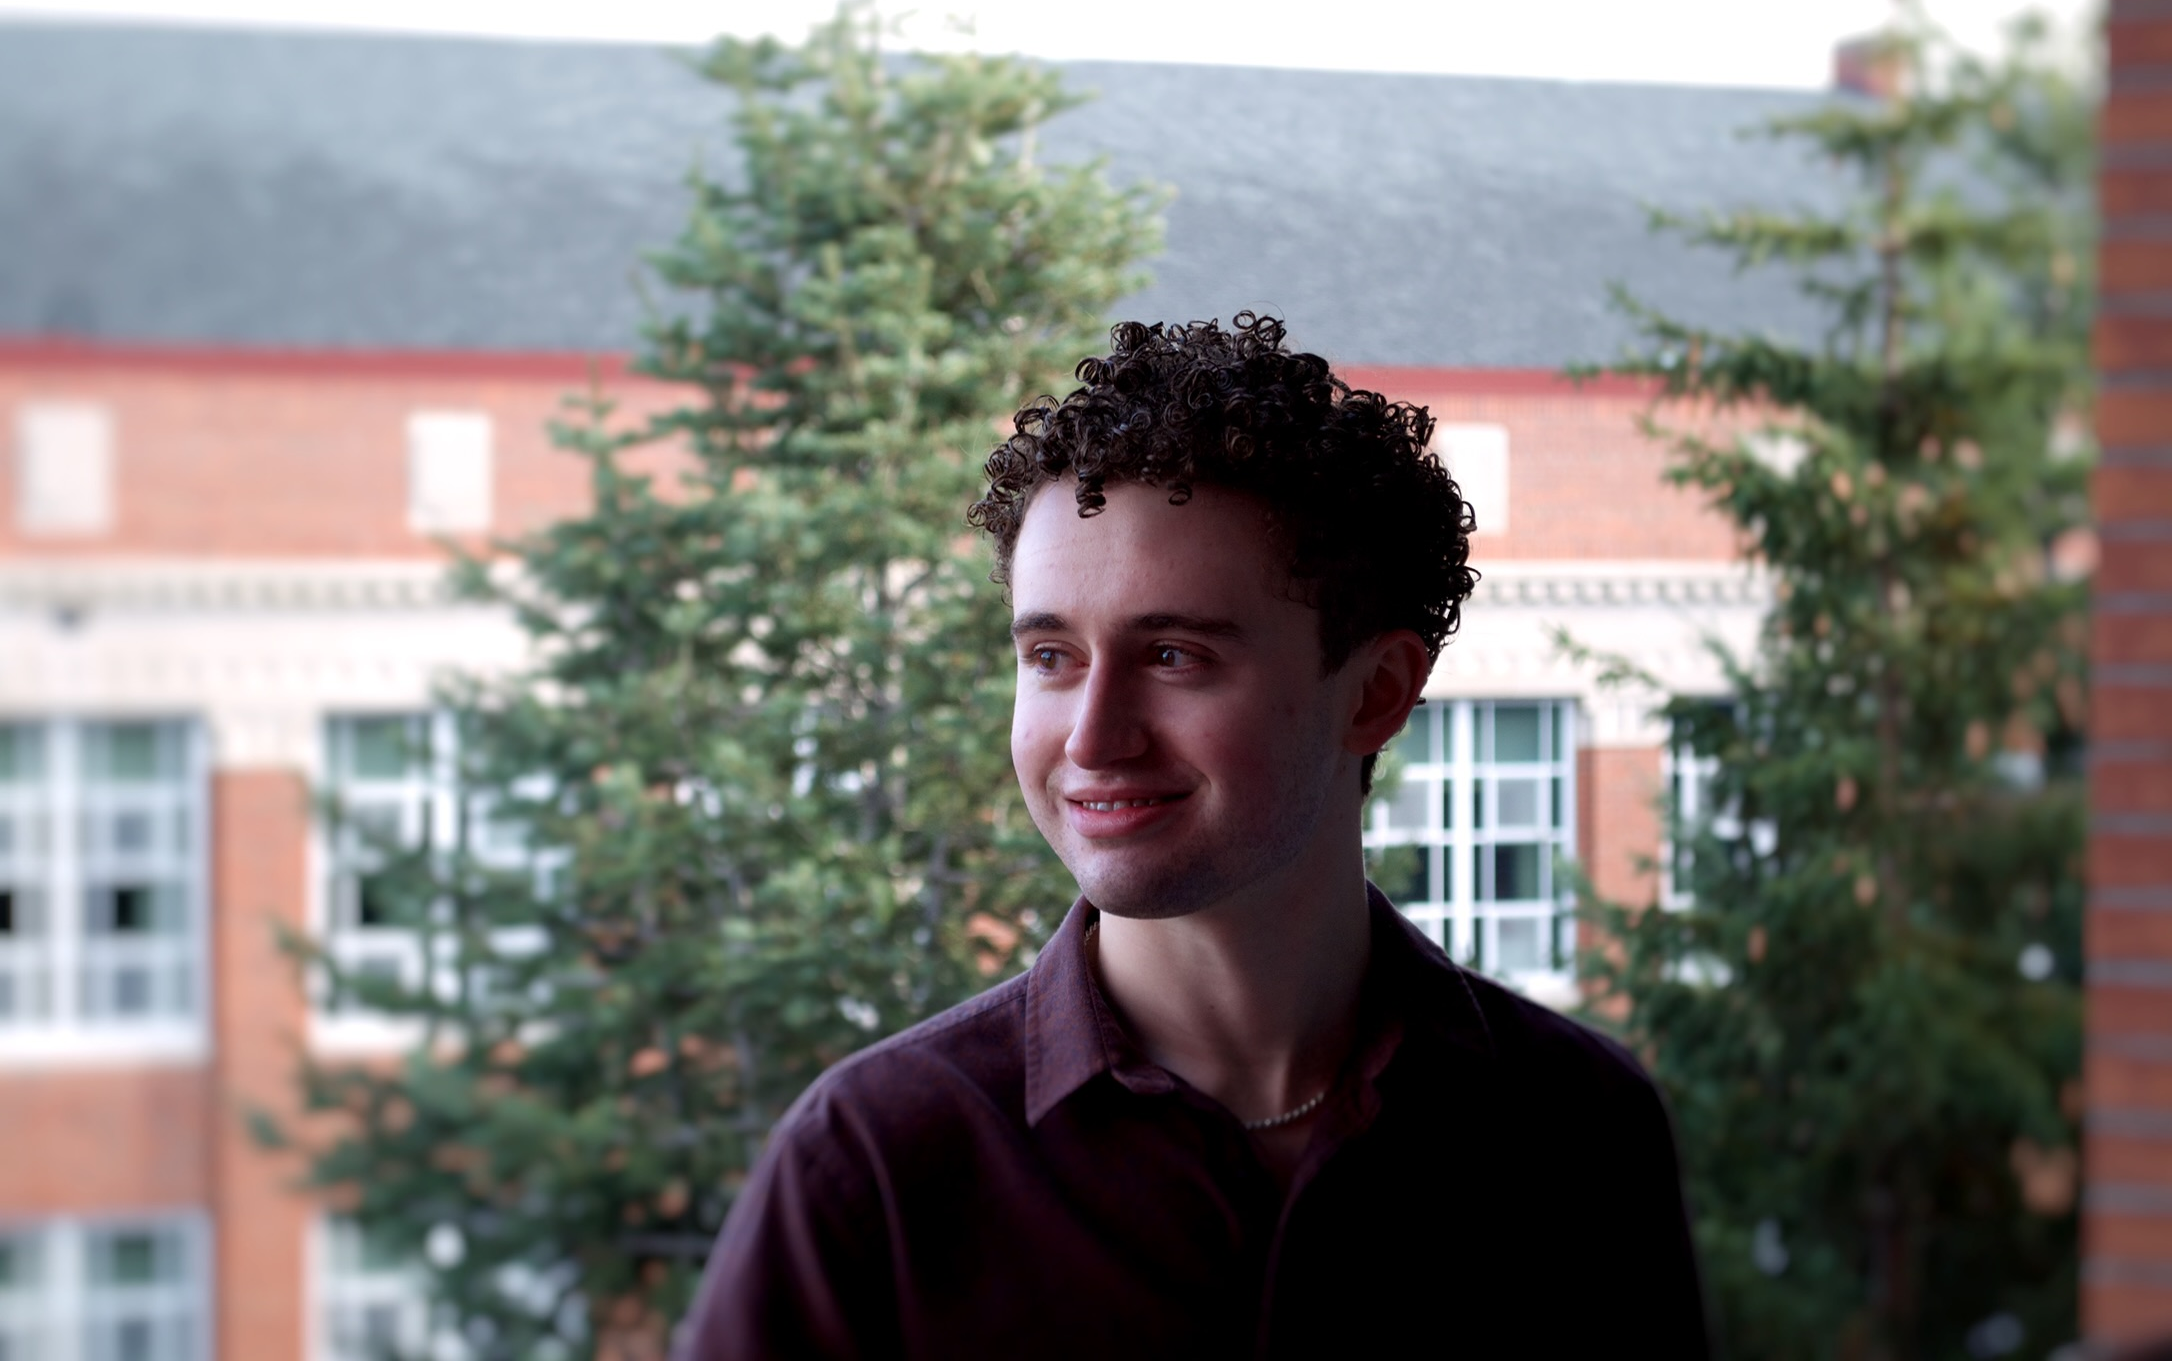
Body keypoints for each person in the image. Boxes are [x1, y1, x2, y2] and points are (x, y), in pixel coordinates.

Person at [675, 314, 1710, 1358]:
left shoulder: (1580, 1129)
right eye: (1051, 656)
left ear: (1376, 692)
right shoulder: (870, 1169)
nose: (1092, 738)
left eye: (1173, 655)